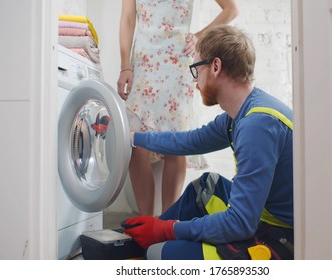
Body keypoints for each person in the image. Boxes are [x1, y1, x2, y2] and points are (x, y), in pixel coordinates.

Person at [122, 25, 294, 260]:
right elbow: (189, 141)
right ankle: (142, 237)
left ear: (215, 66)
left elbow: (240, 223)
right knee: (206, 186)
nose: (195, 82)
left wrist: (169, 230)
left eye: (196, 69)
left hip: (282, 236)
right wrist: (132, 138)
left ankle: (152, 244)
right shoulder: (241, 113)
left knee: (163, 254)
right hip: (262, 215)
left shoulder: (257, 124)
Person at [117, 0, 239, 216]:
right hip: (143, 65)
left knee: (175, 146)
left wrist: (200, 35)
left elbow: (231, 9)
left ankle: (166, 223)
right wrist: (125, 65)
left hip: (177, 65)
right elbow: (128, 19)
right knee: (134, 144)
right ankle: (145, 221)